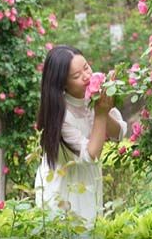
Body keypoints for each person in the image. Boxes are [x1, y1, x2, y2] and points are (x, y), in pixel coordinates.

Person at [34, 45, 127, 227]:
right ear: (62, 83)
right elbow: (90, 156)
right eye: (76, 76)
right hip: (63, 187)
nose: (86, 76)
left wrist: (104, 108)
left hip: (88, 180)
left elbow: (119, 133)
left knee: (90, 227)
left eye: (86, 67)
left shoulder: (93, 96)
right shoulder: (59, 114)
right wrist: (100, 113)